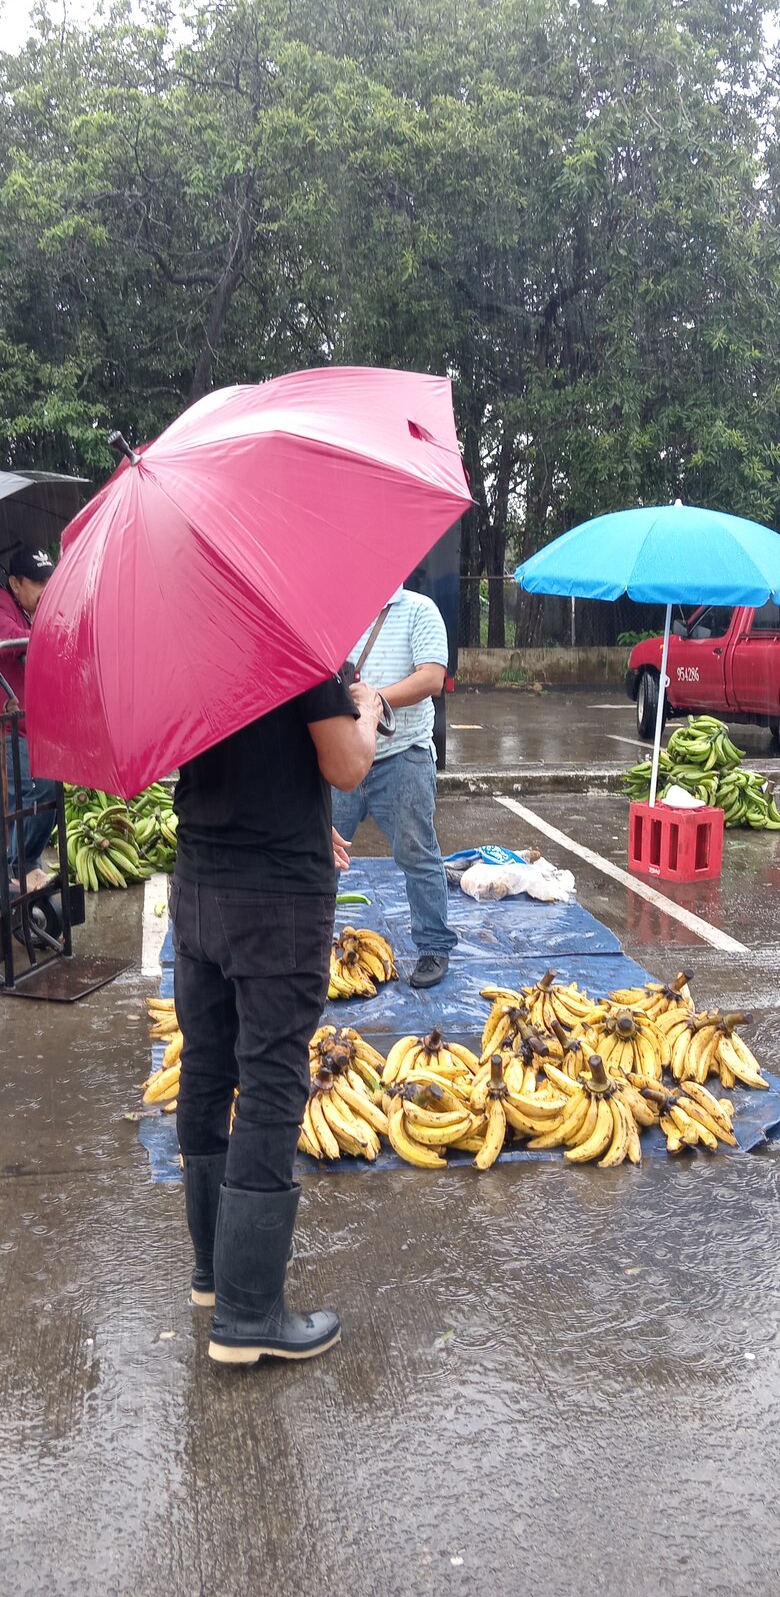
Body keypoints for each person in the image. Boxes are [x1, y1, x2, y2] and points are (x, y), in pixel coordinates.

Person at [171, 669, 383, 1369]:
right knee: (270, 1084)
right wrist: (369, 709)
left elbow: (245, 759)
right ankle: (248, 1312)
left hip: (200, 881)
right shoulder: (292, 640)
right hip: (275, 900)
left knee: (206, 1069)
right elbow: (348, 765)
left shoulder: (191, 640)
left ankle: (214, 1279)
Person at [330, 584, 457, 989]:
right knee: (320, 854)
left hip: (402, 757)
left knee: (417, 853)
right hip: (343, 756)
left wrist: (375, 699)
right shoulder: (337, 609)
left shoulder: (419, 609)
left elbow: (432, 677)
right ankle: (309, 946)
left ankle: (434, 947)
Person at [0, 546, 58, 889]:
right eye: (38, 582)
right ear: (14, 583)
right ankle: (17, 869)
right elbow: (10, 639)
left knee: (48, 792)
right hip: (9, 727)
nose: (45, 588)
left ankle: (27, 866)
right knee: (35, 794)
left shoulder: (27, 610)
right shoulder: (4, 608)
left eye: (48, 580)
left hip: (29, 725)